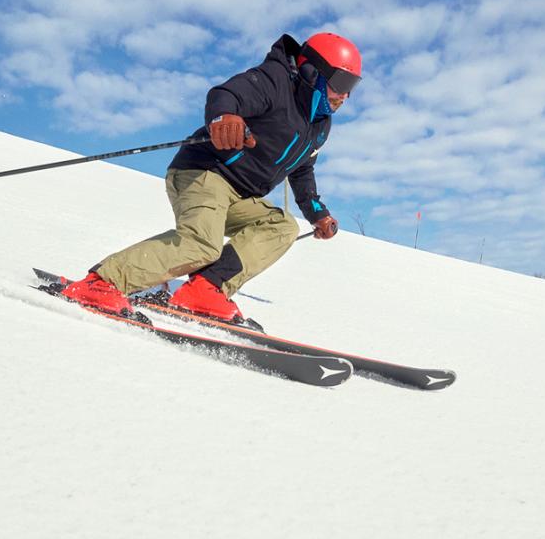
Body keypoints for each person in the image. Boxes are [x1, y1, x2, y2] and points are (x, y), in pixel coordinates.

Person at [60, 32, 361, 323]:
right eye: (341, 82)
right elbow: (226, 95)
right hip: (205, 172)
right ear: (311, 72)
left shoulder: (320, 125)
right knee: (202, 243)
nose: (345, 95)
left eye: (353, 86)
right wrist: (225, 116)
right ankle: (102, 282)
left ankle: (205, 289)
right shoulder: (276, 80)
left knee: (282, 227)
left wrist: (316, 212)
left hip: (241, 195)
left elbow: (302, 168)